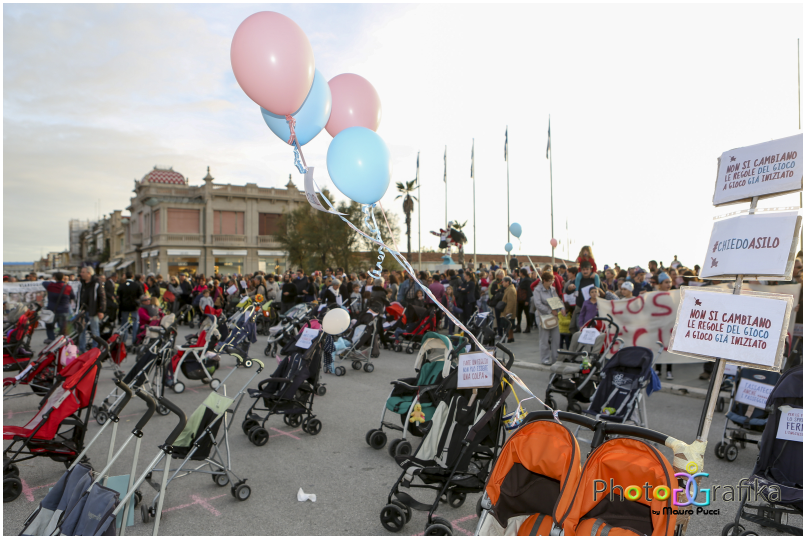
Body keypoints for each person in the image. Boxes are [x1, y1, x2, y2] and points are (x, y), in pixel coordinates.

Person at [75, 266, 106, 353]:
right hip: (83, 311)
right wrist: (77, 310)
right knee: (81, 331)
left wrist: (101, 310)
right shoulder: (81, 283)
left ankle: (96, 350)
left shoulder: (96, 283)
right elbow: (78, 297)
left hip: (94, 310)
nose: (81, 274)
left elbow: (102, 297)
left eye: (83, 272)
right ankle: (82, 349)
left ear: (89, 273)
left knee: (95, 331)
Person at [533, 271, 561, 365]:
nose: (551, 283)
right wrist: (549, 311)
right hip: (542, 317)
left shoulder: (552, 289)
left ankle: (555, 358)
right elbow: (538, 304)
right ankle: (544, 358)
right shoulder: (537, 290)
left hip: (554, 317)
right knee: (544, 339)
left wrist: (562, 308)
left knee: (556, 338)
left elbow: (557, 300)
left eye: (552, 280)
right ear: (544, 280)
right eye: (549, 281)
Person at [42, 272, 75, 344]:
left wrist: (53, 280)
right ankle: (62, 342)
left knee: (50, 327)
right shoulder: (68, 287)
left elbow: (43, 282)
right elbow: (73, 297)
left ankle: (52, 341)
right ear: (64, 278)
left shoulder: (50, 285)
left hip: (52, 311)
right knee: (63, 329)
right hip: (64, 311)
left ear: (54, 278)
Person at [117, 272, 142, 347]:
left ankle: (124, 340)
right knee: (135, 323)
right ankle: (134, 340)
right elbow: (140, 295)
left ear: (125, 277)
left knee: (124, 323)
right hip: (134, 306)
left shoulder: (122, 285)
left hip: (124, 307)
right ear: (132, 276)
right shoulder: (136, 285)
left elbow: (118, 296)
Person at [514, 268, 533, 333]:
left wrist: (527, 300)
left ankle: (528, 327)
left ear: (521, 273)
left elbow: (529, 290)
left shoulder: (527, 280)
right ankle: (518, 327)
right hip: (520, 299)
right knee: (519, 313)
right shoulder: (522, 279)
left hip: (525, 299)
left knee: (527, 314)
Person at [500, 277, 517, 343]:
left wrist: (508, 312)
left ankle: (510, 337)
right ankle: (510, 337)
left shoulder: (510, 290)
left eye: (503, 281)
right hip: (506, 310)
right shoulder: (509, 289)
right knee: (508, 324)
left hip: (507, 311)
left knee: (508, 325)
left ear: (507, 282)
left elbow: (511, 302)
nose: (502, 283)